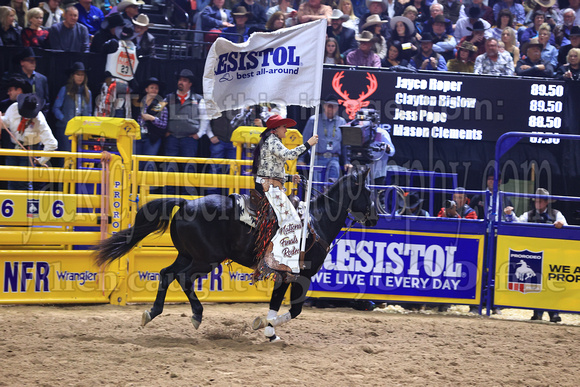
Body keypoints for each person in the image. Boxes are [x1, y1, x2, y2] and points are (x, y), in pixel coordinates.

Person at [252, 114, 318, 276]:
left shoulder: (271, 141)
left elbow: (270, 168)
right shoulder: (273, 141)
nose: (286, 130)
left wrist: (288, 178)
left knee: (291, 220)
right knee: (294, 221)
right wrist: (308, 144)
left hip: (269, 184)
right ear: (275, 129)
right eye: (284, 127)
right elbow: (290, 155)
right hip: (269, 188)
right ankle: (278, 260)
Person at [503, 187, 566, 323]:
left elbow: (565, 225)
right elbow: (518, 223)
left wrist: (561, 225)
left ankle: (553, 313)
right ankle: (537, 312)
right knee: (536, 283)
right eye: (536, 200)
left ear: (546, 202)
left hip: (552, 253)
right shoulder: (529, 214)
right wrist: (509, 215)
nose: (538, 203)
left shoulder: (556, 214)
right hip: (536, 255)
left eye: (541, 200)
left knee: (551, 282)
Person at [163, 69, 209, 194]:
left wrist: (199, 134)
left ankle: (187, 196)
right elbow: (158, 112)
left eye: (184, 80)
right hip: (172, 138)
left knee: (189, 168)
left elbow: (204, 118)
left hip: (189, 139)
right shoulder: (168, 98)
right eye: (180, 79)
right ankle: (169, 195)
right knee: (170, 167)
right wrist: (164, 131)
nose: (181, 82)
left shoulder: (199, 99)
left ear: (190, 84)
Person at [0, 93, 58, 190]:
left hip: (29, 149)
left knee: (25, 181)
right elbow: (6, 122)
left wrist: (41, 160)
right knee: (11, 179)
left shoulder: (39, 120)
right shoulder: (13, 109)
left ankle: (24, 204)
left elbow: (52, 143)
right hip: (13, 148)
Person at [298, 95, 348, 182]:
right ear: (324, 106)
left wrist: (347, 161)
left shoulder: (342, 122)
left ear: (337, 108)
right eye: (329, 106)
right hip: (317, 158)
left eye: (334, 106)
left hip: (334, 159)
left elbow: (345, 144)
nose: (331, 109)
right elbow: (305, 141)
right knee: (316, 187)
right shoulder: (314, 120)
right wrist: (301, 159)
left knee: (332, 186)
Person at [52, 62, 92, 152]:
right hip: (66, 129)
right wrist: (65, 119)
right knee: (66, 155)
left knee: (80, 156)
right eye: (78, 74)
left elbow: (89, 111)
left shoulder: (87, 93)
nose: (80, 77)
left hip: (81, 130)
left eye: (82, 75)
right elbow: (56, 108)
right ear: (73, 76)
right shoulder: (65, 89)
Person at [134, 77, 167, 161]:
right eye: (152, 87)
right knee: (136, 163)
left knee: (149, 163)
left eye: (156, 88)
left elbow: (163, 124)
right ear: (146, 89)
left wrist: (152, 118)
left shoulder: (161, 105)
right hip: (136, 137)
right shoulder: (137, 103)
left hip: (152, 138)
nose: (154, 90)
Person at [16, 47, 49, 112]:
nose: (33, 63)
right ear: (22, 62)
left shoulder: (42, 79)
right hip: (20, 115)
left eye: (34, 60)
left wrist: (43, 114)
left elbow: (45, 100)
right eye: (29, 60)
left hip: (38, 115)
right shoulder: (16, 78)